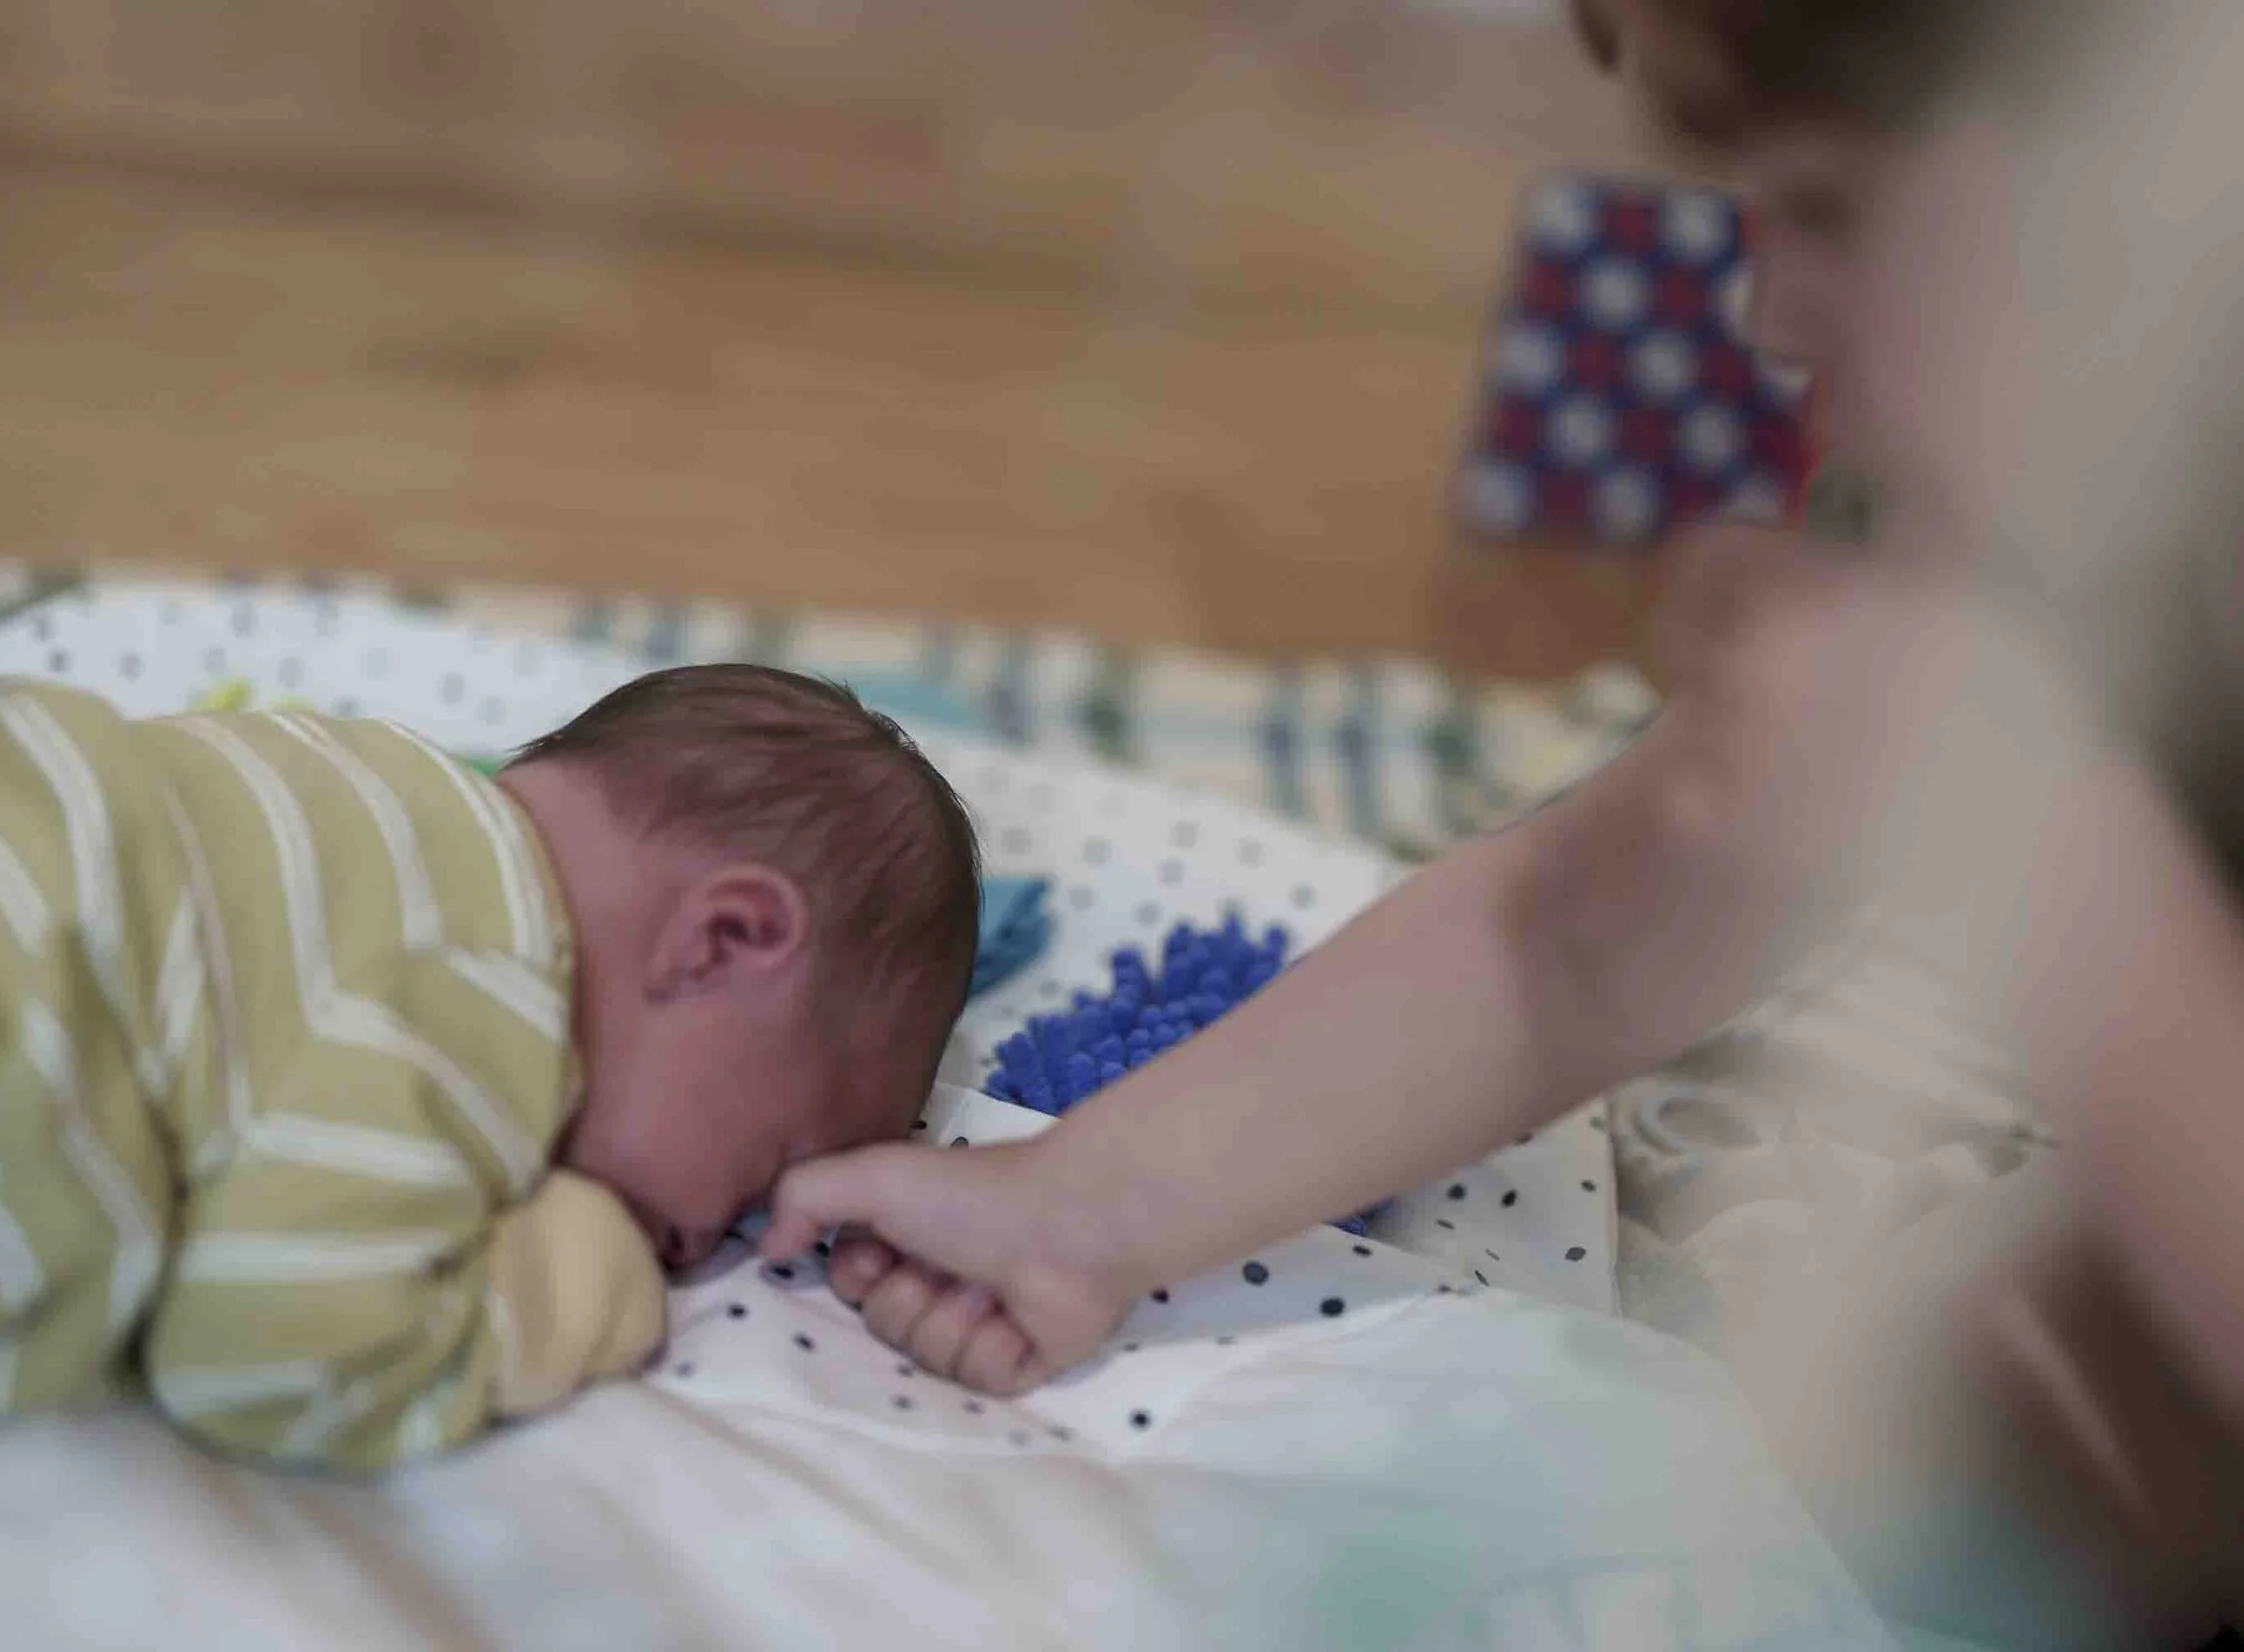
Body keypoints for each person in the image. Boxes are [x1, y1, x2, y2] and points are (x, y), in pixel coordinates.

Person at [765, 1, 2244, 1640]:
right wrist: (1081, 1203)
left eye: (1830, 206)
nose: (1767, 309)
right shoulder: (2012, 509)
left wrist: (2028, 822)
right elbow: (1575, 941)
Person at [0, 663, 978, 1473]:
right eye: (770, 1165)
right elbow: (269, 1346)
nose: (727, 1233)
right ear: (725, 938)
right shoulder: (493, 978)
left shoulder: (343, 776)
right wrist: (565, 1279)